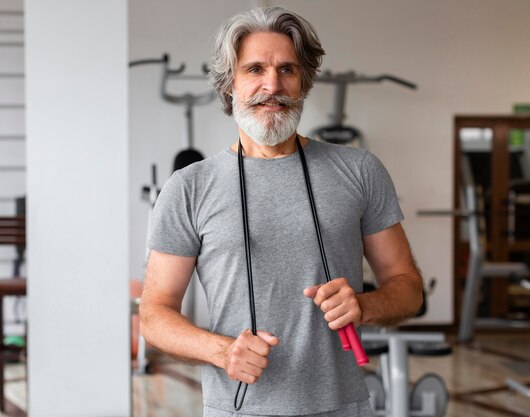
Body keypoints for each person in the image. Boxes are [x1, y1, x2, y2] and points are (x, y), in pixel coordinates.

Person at [139, 7, 423, 417]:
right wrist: (222, 352)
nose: (272, 85)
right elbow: (154, 315)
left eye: (287, 69)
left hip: (343, 407)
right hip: (235, 409)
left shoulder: (360, 170)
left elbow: (407, 286)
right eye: (255, 69)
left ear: (303, 82)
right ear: (229, 83)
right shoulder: (189, 187)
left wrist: (365, 306)